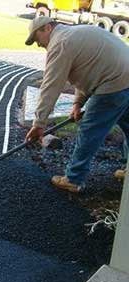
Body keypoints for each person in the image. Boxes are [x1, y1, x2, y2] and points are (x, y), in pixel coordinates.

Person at [24, 16, 129, 192]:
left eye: (36, 38)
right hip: (123, 78)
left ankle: (74, 179)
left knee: (90, 130)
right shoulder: (74, 35)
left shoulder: (60, 44)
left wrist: (39, 124)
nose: (37, 44)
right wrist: (77, 103)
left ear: (47, 28)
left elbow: (50, 86)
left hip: (114, 83)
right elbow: (88, 71)